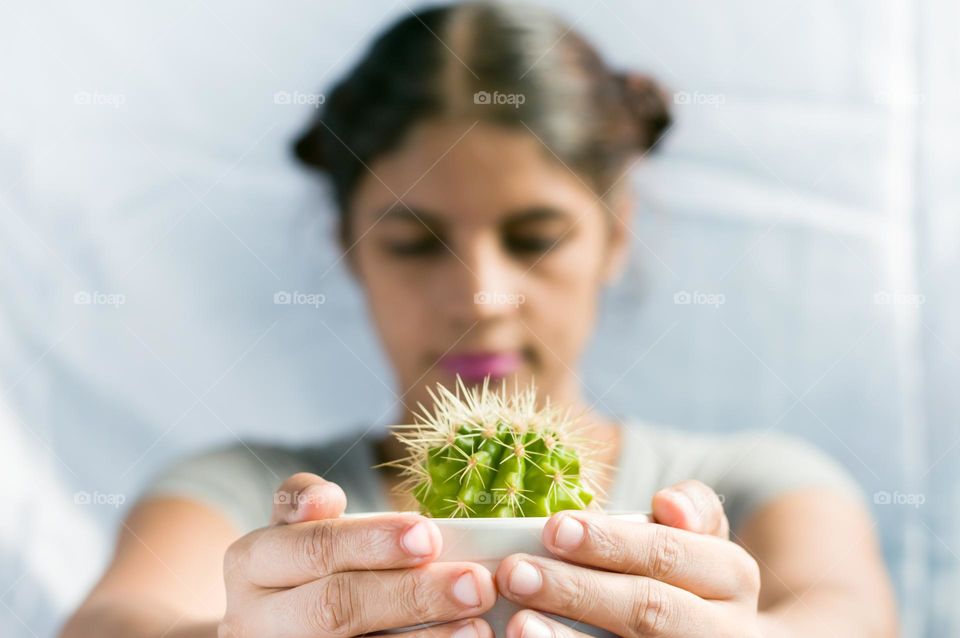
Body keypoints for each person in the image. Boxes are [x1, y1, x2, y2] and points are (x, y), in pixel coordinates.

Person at [61, 2, 898, 637]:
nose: (479, 298)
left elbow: (845, 616)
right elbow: (115, 622)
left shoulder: (752, 486)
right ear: (349, 246)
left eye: (535, 239)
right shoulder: (242, 491)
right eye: (412, 244)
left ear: (616, 234)